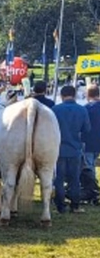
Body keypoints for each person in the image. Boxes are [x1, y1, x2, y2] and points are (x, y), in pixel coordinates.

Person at [52, 85, 91, 213]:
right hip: (75, 149)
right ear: (74, 95)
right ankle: (75, 206)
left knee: (59, 178)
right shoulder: (82, 110)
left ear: (62, 96)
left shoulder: (55, 110)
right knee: (75, 179)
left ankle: (60, 206)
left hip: (59, 149)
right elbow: (87, 129)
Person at [84, 85, 100, 205]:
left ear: (88, 94)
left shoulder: (87, 108)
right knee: (93, 164)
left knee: (89, 167)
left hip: (88, 141)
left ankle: (92, 192)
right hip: (98, 142)